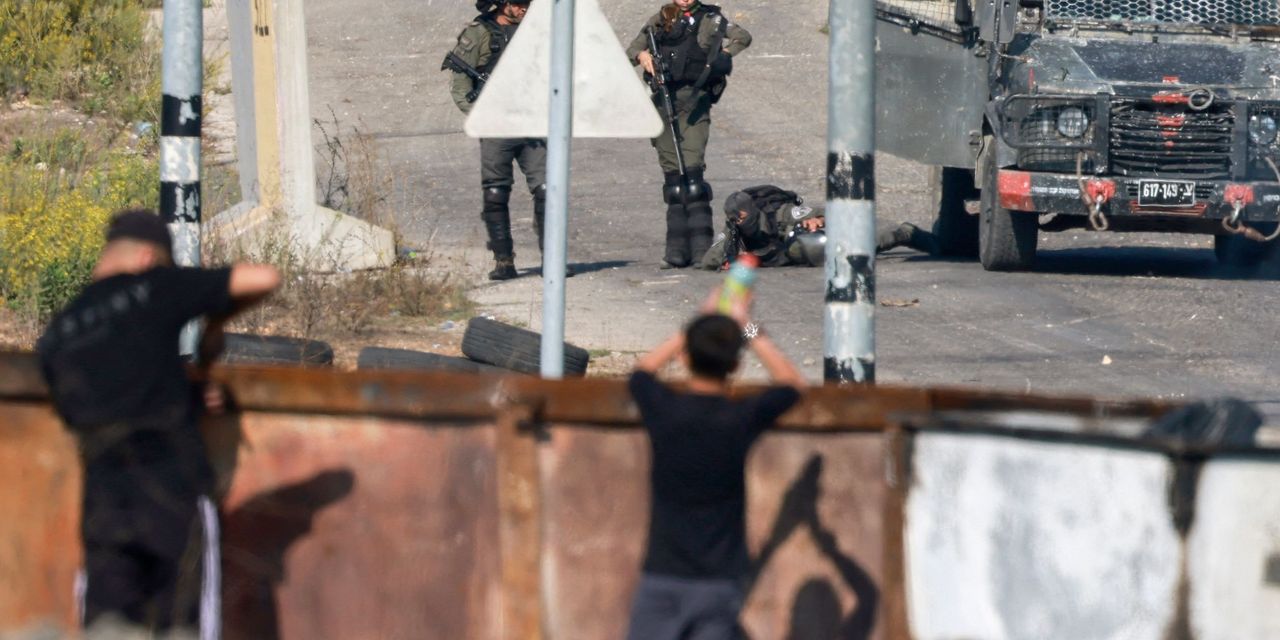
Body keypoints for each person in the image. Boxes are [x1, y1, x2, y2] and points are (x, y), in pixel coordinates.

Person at [37, 209, 281, 637]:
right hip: (172, 490)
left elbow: (109, 392)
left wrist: (181, 388)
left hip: (104, 504)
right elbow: (263, 278)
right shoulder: (153, 286)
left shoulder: (58, 334)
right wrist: (216, 323)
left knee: (108, 627)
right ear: (149, 259)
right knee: (183, 625)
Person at [626, 286, 805, 639]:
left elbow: (640, 374)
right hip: (720, 582)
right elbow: (792, 385)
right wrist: (748, 327)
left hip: (663, 575)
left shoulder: (664, 410)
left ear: (685, 359)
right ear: (736, 366)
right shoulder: (739, 418)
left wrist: (698, 323)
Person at [626, 1, 752, 269]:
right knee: (673, 183)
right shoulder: (660, 19)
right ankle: (675, 252)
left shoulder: (711, 19)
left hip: (694, 102)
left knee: (693, 178)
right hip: (663, 101)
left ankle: (701, 249)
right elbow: (631, 50)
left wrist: (722, 55)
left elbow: (743, 37)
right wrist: (642, 56)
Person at [446, 0, 546, 280]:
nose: (525, 8)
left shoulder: (537, 29)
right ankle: (503, 260)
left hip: (533, 123)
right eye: (519, 3)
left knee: (548, 190)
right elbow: (460, 88)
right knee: (495, 192)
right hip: (496, 127)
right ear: (502, 4)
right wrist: (483, 117)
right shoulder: (478, 34)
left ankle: (552, 257)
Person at [697, 185, 938, 269]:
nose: (739, 222)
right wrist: (731, 255)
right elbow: (709, 261)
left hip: (813, 239)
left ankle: (905, 234)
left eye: (742, 217)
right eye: (735, 219)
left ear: (751, 211)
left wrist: (818, 220)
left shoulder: (781, 214)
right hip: (788, 255)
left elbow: (832, 212)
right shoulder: (734, 230)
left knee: (840, 248)